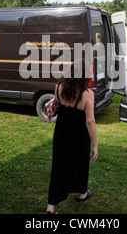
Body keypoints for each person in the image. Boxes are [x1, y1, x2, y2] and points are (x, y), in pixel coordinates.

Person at [46, 59, 98, 214]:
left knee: (58, 167)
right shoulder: (88, 95)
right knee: (81, 164)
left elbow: (58, 103)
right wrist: (95, 145)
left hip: (61, 132)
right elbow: (90, 121)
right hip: (79, 137)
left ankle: (51, 205)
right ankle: (82, 193)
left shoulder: (58, 87)